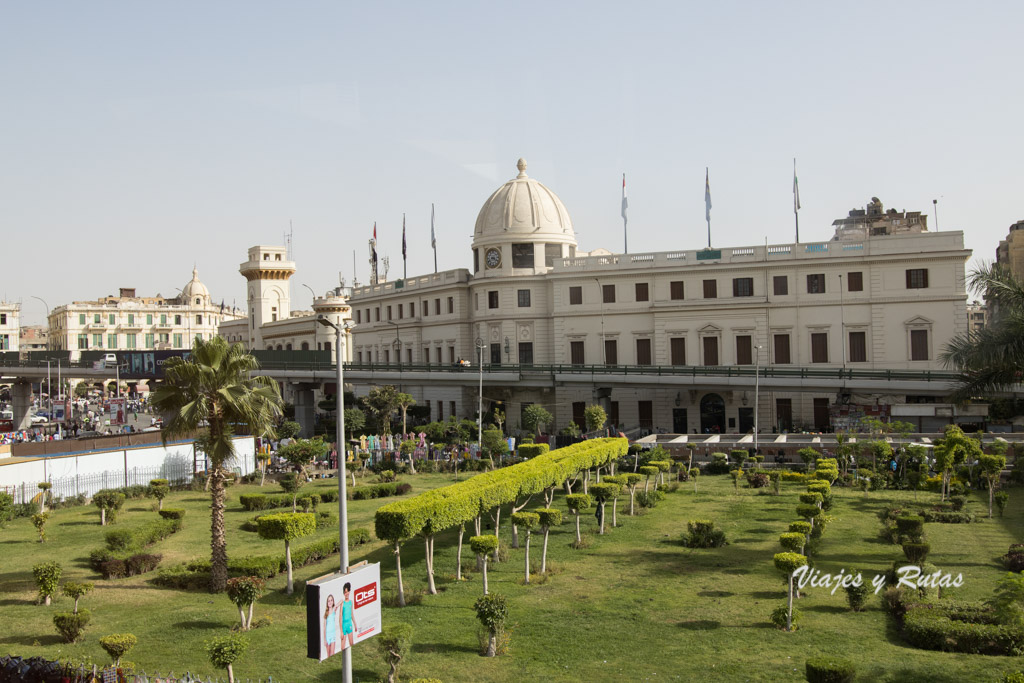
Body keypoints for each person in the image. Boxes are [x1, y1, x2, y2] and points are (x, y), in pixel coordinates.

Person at [340, 582, 358, 650]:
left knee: (351, 643)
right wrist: (341, 631)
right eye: (345, 592)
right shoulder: (342, 603)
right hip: (344, 625)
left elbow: (352, 614)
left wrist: (355, 625)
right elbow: (340, 617)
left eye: (347, 592)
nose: (346, 594)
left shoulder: (351, 602)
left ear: (349, 592)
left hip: (349, 624)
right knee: (342, 646)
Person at [323, 594, 340, 658]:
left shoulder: (333, 610)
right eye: (328, 601)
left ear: (333, 601)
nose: (330, 602)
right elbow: (324, 627)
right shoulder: (326, 614)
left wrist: (335, 606)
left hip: (333, 635)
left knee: (332, 653)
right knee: (328, 654)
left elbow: (341, 600)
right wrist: (324, 639)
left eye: (331, 600)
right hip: (327, 636)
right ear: (327, 603)